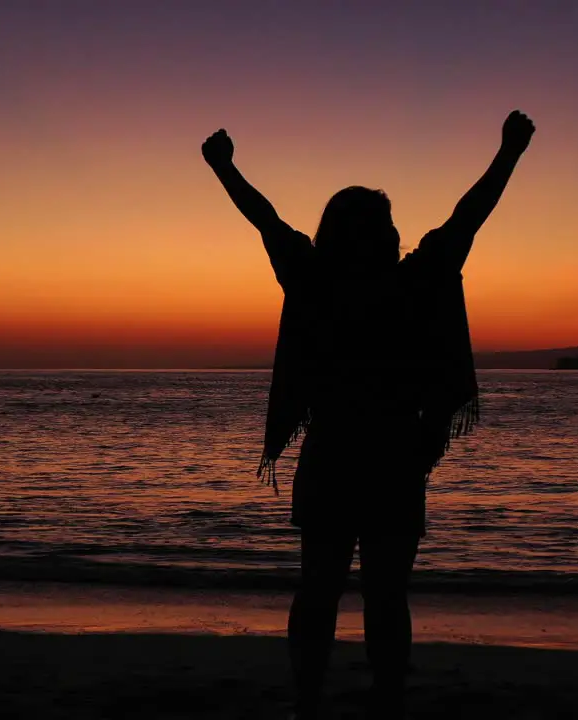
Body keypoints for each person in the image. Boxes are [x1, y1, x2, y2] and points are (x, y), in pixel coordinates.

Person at [202, 110, 535, 719]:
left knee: (325, 590)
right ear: (385, 234)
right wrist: (510, 151)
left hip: (343, 456)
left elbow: (266, 219)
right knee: (378, 593)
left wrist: (225, 167)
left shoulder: (315, 278)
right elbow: (469, 217)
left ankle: (313, 701)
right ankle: (379, 701)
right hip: (391, 459)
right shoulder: (409, 280)